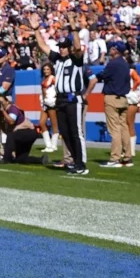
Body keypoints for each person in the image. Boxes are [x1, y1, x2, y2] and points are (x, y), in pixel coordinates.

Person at [29, 13, 89, 175]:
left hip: (73, 98)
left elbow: (77, 48)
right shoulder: (57, 60)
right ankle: (74, 161)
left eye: (64, 47)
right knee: (65, 132)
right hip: (60, 99)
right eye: (60, 47)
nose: (62, 49)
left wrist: (73, 27)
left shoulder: (76, 59)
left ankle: (81, 163)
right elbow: (43, 46)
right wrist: (36, 29)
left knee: (76, 132)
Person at [88, 41, 131, 167]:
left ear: (116, 50)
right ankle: (127, 157)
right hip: (123, 98)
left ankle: (115, 158)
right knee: (124, 127)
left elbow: (101, 76)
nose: (109, 50)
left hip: (112, 97)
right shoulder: (125, 63)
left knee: (114, 129)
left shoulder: (113, 64)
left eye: (112, 48)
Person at [0, 97, 43, 164]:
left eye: (1, 102)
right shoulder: (0, 112)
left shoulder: (12, 108)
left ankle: (6, 159)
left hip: (28, 132)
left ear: (7, 102)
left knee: (11, 135)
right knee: (21, 159)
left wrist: (3, 111)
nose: (0, 104)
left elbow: (11, 121)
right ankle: (40, 160)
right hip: (21, 134)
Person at [37, 63, 59, 155]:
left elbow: (57, 89)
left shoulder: (53, 78)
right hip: (45, 103)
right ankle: (48, 145)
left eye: (47, 69)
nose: (46, 71)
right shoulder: (43, 79)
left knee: (54, 124)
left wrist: (54, 99)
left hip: (51, 103)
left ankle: (54, 145)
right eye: (44, 69)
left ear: (51, 70)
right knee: (41, 123)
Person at [124, 61, 140, 166]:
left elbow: (138, 81)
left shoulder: (131, 71)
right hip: (126, 99)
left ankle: (132, 149)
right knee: (125, 124)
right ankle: (127, 148)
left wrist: (131, 90)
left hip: (131, 100)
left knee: (129, 123)